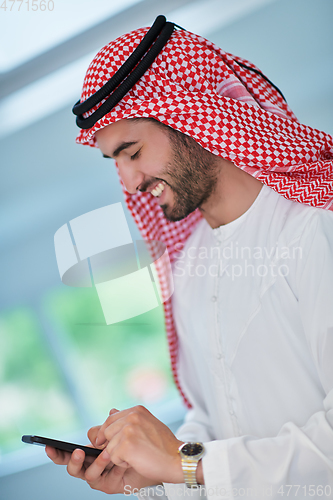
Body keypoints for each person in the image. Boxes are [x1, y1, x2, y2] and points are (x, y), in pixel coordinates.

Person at [46, 16, 333, 499]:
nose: (131, 182)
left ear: (192, 115)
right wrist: (154, 475)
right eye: (116, 162)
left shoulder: (315, 224)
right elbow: (216, 424)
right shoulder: (189, 263)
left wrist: (181, 463)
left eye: (132, 152)